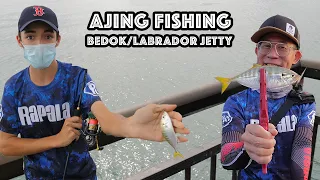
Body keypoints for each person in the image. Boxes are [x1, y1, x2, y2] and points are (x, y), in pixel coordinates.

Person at [0, 5, 190, 180]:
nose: (39, 44)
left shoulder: (77, 78)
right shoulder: (13, 89)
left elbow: (104, 116)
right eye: (31, 37)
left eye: (48, 36)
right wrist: (56, 140)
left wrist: (131, 125)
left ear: (58, 39)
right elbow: (5, 143)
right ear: (20, 40)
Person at [220, 14, 316, 179]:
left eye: (283, 47)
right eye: (266, 45)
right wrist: (247, 147)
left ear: (296, 57)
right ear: (257, 51)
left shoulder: (304, 103)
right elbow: (227, 160)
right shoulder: (236, 102)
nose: (272, 54)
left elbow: (302, 153)